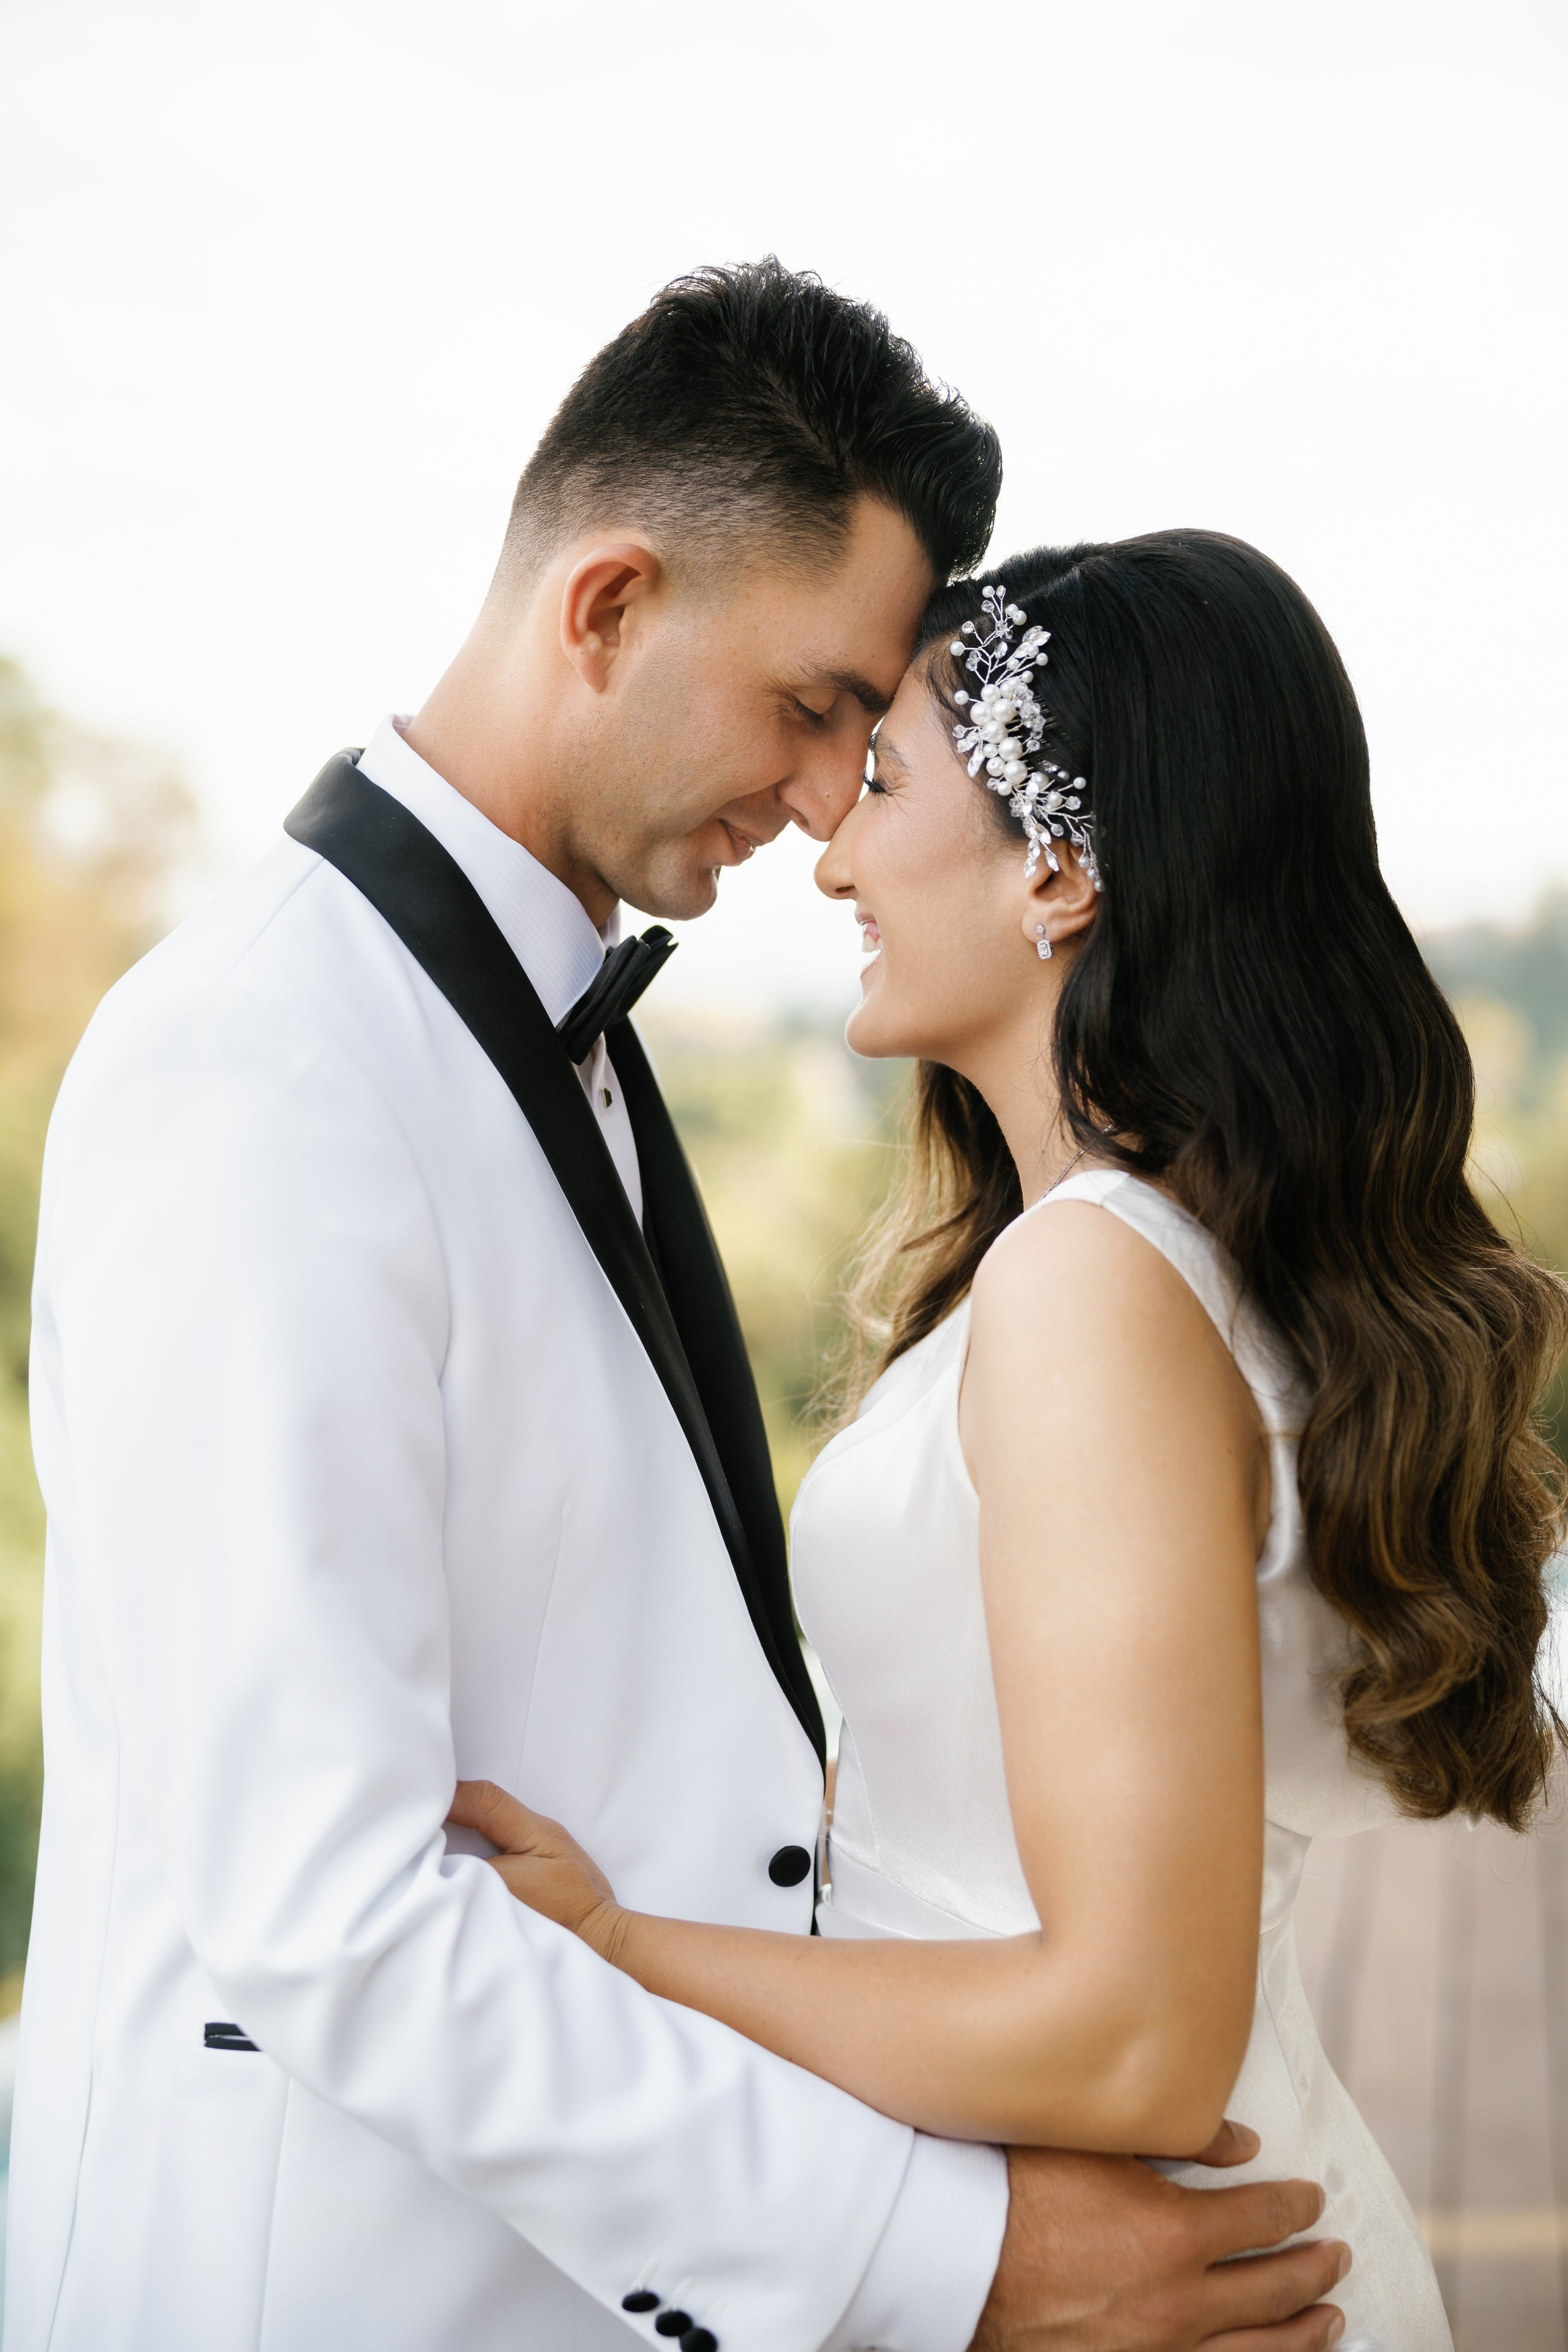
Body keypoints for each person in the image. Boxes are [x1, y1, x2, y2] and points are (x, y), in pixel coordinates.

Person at [5, 264, 1349, 2352]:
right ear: (609, 604)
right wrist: (943, 2258)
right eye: (816, 705)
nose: (832, 799)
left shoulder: (584, 1052)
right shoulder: (257, 1061)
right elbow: (326, 1906)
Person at [449, 531, 1568, 2352]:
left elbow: (1131, 2037)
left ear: (1059, 868)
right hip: (1111, 2235)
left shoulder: (1090, 1293)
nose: (831, 850)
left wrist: (622, 1955)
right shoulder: (1129, 1264)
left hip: (1162, 2265)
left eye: (883, 778)